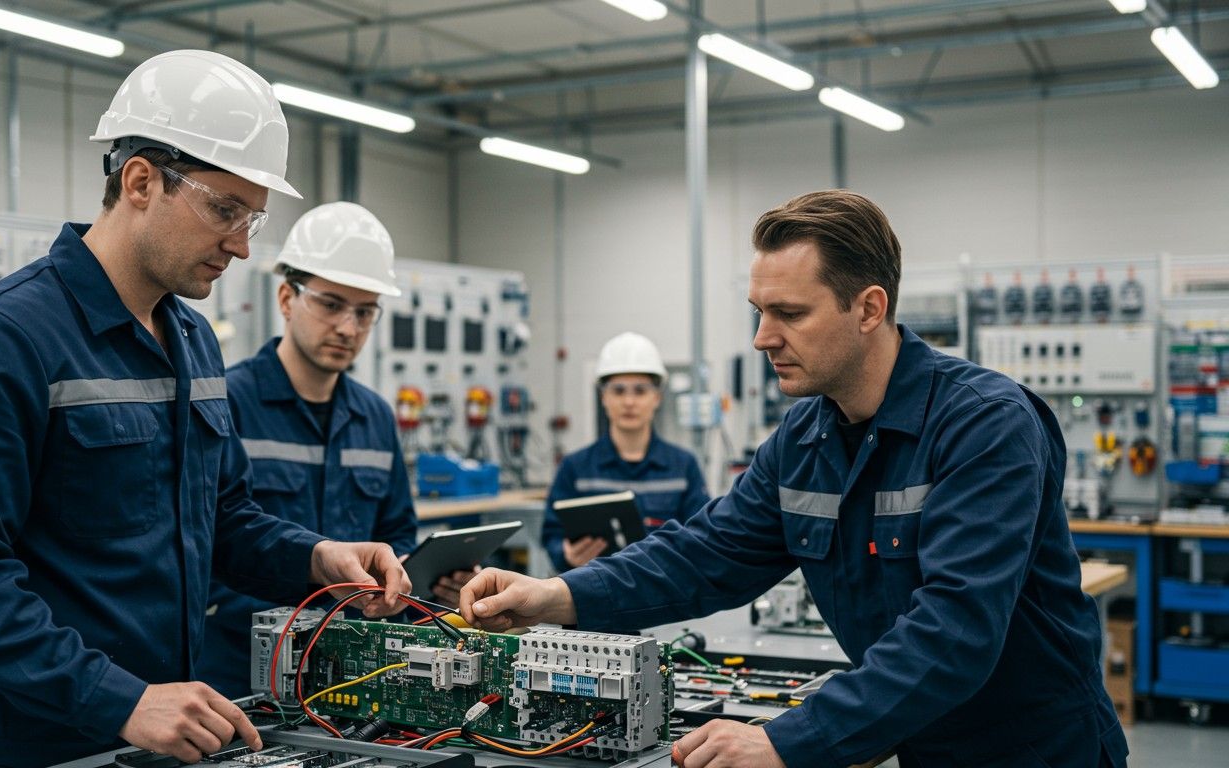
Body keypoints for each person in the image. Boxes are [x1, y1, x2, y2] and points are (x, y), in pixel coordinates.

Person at [461, 190, 1129, 768]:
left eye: (791, 313)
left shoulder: (984, 424)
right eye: (759, 310)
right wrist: (556, 595)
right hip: (923, 740)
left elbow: (955, 630)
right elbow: (708, 553)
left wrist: (787, 741)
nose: (762, 337)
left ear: (868, 309)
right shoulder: (806, 435)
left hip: (1039, 749)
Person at [0, 50, 408, 768]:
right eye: (224, 209)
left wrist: (317, 557)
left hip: (164, 735)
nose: (240, 244)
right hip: (27, 746)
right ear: (140, 181)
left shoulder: (193, 340)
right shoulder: (1, 339)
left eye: (253, 218)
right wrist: (120, 700)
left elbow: (221, 518)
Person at [200, 202, 434, 697]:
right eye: (331, 304)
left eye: (365, 312)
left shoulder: (375, 416)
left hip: (353, 672)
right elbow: (212, 536)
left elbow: (397, 532)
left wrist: (416, 577)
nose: (349, 327)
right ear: (287, 298)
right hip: (240, 673)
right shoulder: (226, 401)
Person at [541, 332, 709, 572]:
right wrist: (566, 554)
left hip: (664, 591)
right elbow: (552, 535)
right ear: (604, 397)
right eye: (618, 391)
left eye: (640, 391)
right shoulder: (575, 469)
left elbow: (702, 536)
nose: (629, 402)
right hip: (593, 591)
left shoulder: (683, 467)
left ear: (657, 397)